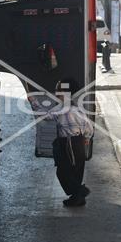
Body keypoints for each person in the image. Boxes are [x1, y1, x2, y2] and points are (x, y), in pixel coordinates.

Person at [29, 79, 94, 207]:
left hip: (69, 143)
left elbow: (45, 116)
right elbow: (88, 125)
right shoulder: (75, 107)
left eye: (59, 90)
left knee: (63, 171)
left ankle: (80, 192)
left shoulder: (63, 109)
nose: (56, 92)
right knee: (75, 171)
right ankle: (77, 198)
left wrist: (33, 102)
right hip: (78, 141)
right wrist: (87, 137)